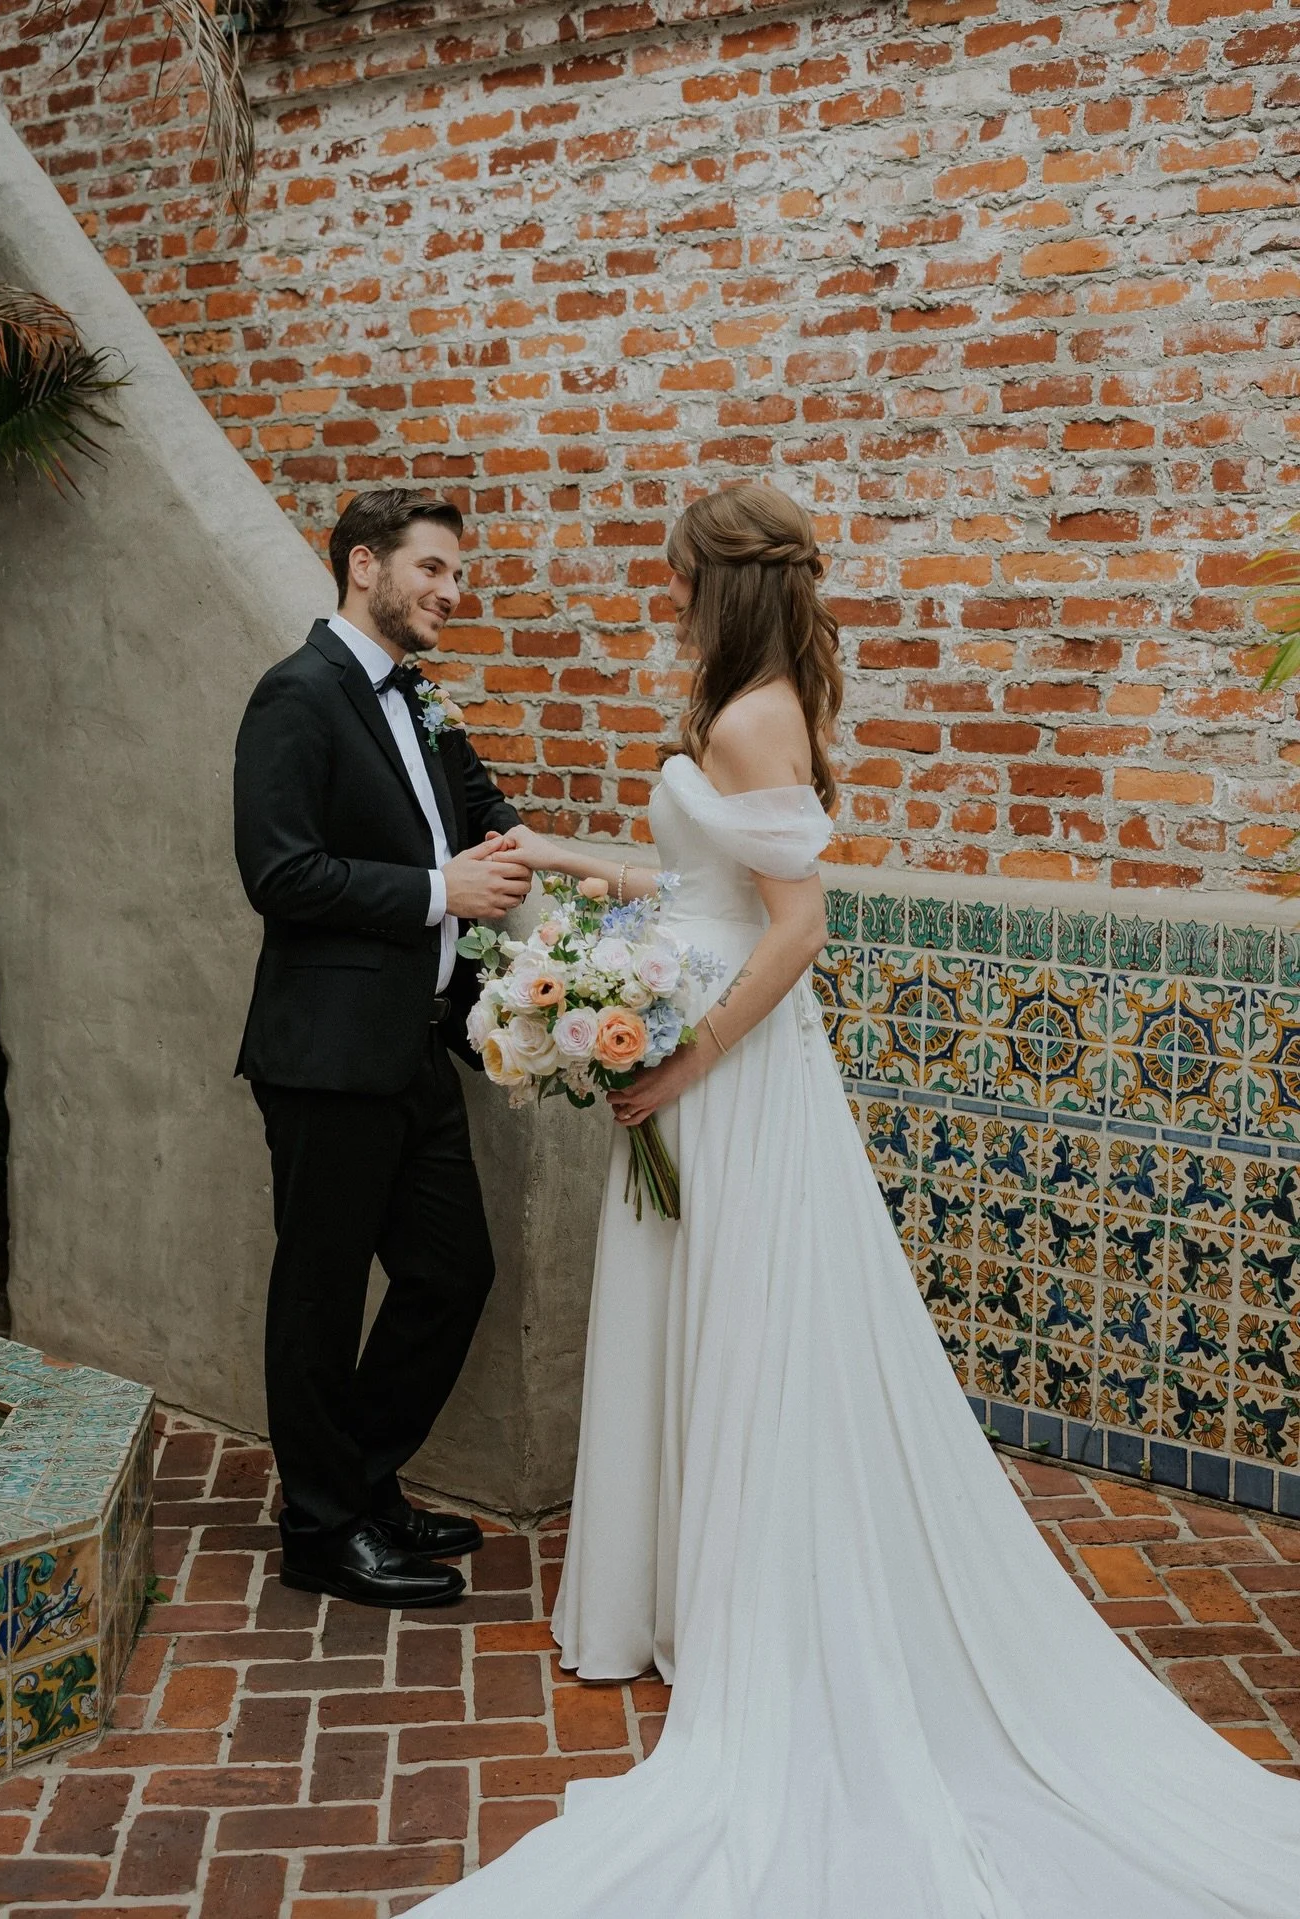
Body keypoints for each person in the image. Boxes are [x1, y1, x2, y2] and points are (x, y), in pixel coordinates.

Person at [418, 482, 1300, 1912]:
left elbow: (798, 929)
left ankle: (752, 1606)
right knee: (692, 1310)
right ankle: (678, 1594)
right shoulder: (742, 703)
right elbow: (699, 884)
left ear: (719, 582)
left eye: (674, 574)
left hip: (735, 1084)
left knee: (751, 1326)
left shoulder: (754, 711)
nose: (663, 591)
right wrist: (571, 873)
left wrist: (685, 1061)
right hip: (693, 1069)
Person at [233, 488, 529, 1609]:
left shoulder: (421, 699)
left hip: (417, 1046)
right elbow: (279, 872)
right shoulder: (295, 696)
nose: (454, 592)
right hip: (324, 1054)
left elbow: (490, 822)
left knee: (454, 1271)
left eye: (457, 573)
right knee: (317, 1296)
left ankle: (356, 1485)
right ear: (366, 564)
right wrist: (433, 890)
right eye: (435, 569)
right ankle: (320, 1531)